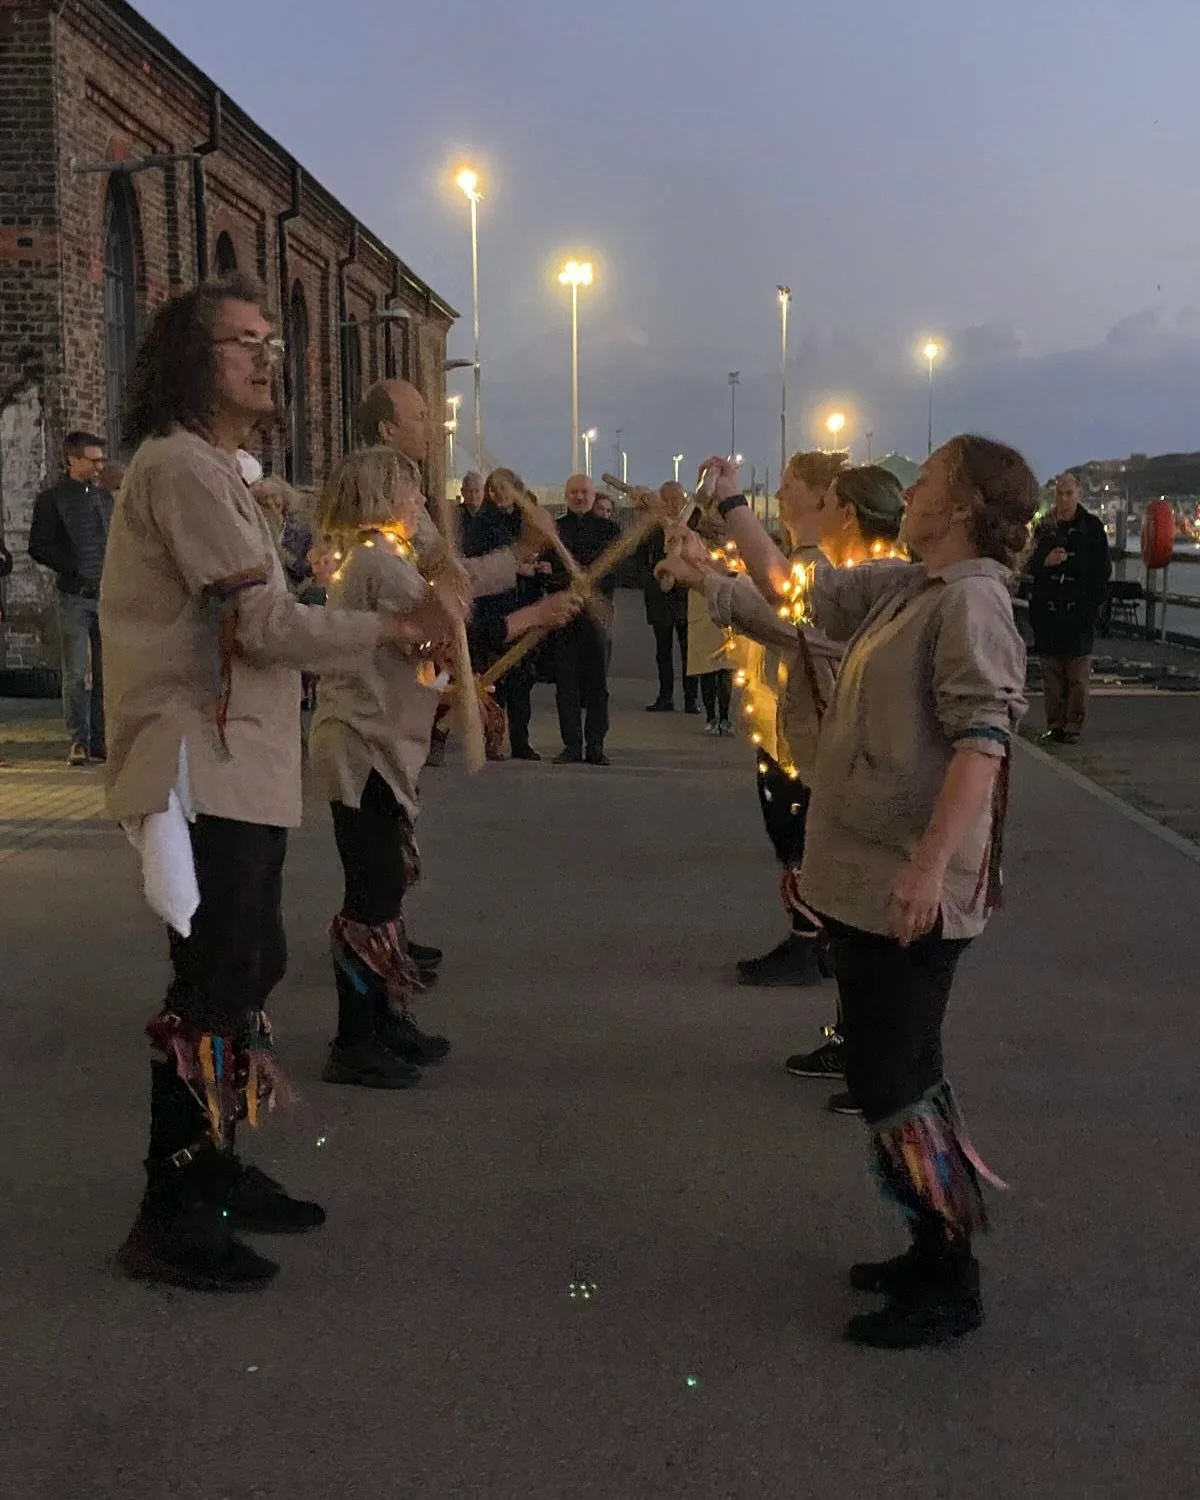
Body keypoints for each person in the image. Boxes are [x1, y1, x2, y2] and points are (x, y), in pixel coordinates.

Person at [101, 274, 454, 1292]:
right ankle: (174, 1207)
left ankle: (218, 1164)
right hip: (197, 763)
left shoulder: (212, 470)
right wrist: (389, 628)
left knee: (245, 970)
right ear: (186, 361)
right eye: (241, 342)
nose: (265, 357)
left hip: (240, 763)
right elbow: (257, 625)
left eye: (270, 340)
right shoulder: (180, 469)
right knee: (213, 982)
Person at [704, 437, 1035, 1348]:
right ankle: (929, 1247)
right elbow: (787, 588)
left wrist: (928, 868)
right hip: (868, 875)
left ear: (964, 505)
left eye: (929, 478)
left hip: (910, 884)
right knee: (893, 1070)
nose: (912, 486)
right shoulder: (910, 586)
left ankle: (950, 1274)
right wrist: (731, 504)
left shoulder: (970, 603)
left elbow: (982, 746)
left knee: (895, 1077)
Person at [310, 449, 579, 1087]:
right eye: (409, 492)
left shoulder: (385, 558)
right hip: (363, 746)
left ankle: (383, 1018)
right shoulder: (379, 564)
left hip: (379, 740)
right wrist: (534, 612)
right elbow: (449, 631)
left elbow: (447, 613)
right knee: (369, 900)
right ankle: (355, 1037)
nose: (421, 505)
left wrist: (513, 558)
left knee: (385, 891)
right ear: (382, 495)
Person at [29, 430, 114, 765]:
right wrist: (73, 566)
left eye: (101, 460)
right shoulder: (52, 499)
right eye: (92, 460)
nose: (98, 466)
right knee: (77, 672)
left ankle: (99, 740)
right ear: (73, 460)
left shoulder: (105, 499)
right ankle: (79, 740)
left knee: (107, 672)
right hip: (74, 596)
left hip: (105, 595)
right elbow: (38, 545)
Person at [461, 468, 547, 760]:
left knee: (522, 677)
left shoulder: (526, 518)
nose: (497, 494)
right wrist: (513, 566)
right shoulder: (482, 523)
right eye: (492, 489)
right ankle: (493, 738)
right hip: (494, 605)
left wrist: (539, 569)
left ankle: (521, 740)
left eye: (502, 488)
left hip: (524, 601)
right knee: (493, 676)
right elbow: (475, 562)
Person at [1029, 472, 1111, 744]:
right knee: (1052, 676)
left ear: (1078, 496)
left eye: (1069, 494)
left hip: (1079, 611)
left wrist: (1092, 606)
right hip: (1049, 611)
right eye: (1059, 494)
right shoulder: (1045, 526)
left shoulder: (1092, 527)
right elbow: (1029, 562)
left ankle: (1073, 727)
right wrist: (1046, 562)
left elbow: (1102, 569)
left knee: (1076, 676)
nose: (1063, 499)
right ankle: (1054, 725)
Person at [547, 474, 621, 765]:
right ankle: (571, 746)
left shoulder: (610, 530)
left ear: (593, 496)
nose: (579, 497)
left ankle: (595, 746)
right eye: (574, 492)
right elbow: (550, 570)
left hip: (597, 617)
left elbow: (619, 570)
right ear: (567, 496)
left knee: (597, 685)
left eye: (584, 492)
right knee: (566, 684)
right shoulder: (556, 531)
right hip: (564, 616)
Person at [641, 496, 697, 715]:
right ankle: (665, 697)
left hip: (685, 598)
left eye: (677, 500)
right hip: (659, 600)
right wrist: (653, 580)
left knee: (689, 653)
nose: (674, 505)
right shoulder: (652, 531)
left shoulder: (691, 531)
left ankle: (691, 700)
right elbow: (640, 561)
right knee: (662, 652)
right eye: (669, 499)